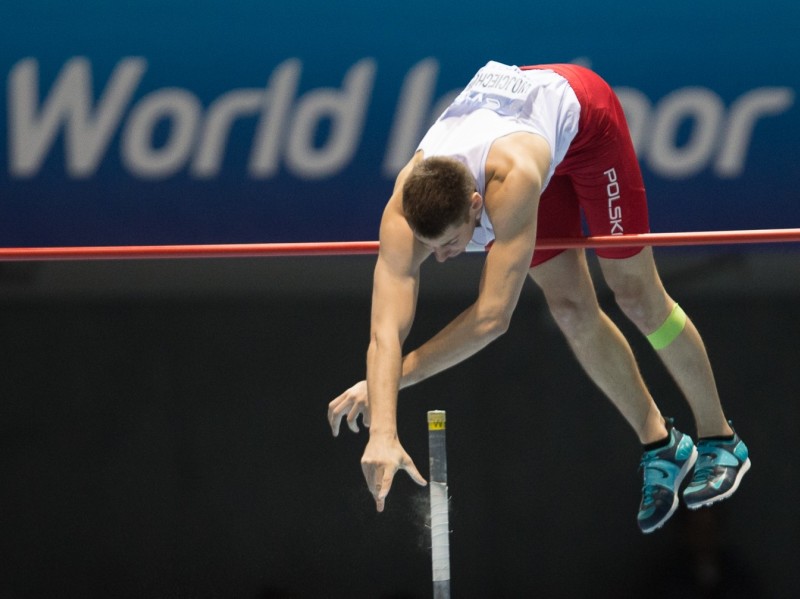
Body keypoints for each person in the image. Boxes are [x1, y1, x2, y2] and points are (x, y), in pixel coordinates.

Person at [326, 61, 750, 533]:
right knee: (569, 308)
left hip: (587, 126)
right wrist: (383, 431)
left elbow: (491, 319)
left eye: (452, 242)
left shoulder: (513, 181)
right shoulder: (403, 212)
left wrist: (393, 380)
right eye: (432, 247)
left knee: (635, 294)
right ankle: (662, 445)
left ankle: (720, 438)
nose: (444, 257)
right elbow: (385, 330)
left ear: (475, 206)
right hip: (518, 126)